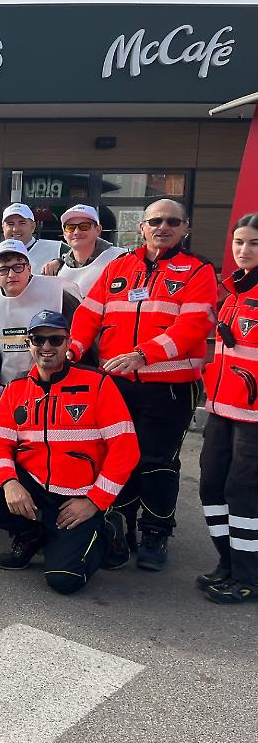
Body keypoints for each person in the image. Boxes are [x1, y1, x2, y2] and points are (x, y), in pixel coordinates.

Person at [69, 199, 217, 571]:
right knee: (118, 457)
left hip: (169, 386)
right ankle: (119, 530)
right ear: (142, 227)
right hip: (117, 384)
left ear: (185, 227)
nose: (163, 227)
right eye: (155, 221)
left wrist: (144, 354)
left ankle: (155, 532)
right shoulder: (119, 266)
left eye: (172, 221)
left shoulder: (198, 271)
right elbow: (89, 312)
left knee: (157, 462)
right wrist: (73, 347)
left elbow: (193, 326)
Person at [0, 311, 140, 595]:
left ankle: (108, 529)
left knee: (64, 581)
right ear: (29, 343)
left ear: (68, 343)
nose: (46, 347)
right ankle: (31, 535)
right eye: (38, 339)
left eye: (55, 339)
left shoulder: (98, 384)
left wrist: (95, 501)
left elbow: (126, 449)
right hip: (33, 485)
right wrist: (10, 482)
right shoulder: (16, 388)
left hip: (79, 495)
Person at [197, 213, 258, 604]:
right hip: (221, 409)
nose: (243, 250)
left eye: (253, 243)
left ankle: (248, 575)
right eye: (238, 242)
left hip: (253, 418)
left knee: (244, 494)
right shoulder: (233, 293)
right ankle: (228, 562)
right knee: (211, 486)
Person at [0, 239, 80, 393]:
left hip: (55, 383)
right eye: (3, 269)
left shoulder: (58, 293)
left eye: (18, 267)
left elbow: (79, 336)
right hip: (7, 387)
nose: (11, 275)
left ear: (29, 268)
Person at [39, 204, 127, 297]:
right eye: (70, 227)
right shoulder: (58, 268)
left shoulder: (121, 259)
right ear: (64, 234)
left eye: (84, 226)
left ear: (98, 230)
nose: (77, 232)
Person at [0, 203, 64, 283]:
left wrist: (61, 261)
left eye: (22, 223)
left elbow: (75, 258)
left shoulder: (56, 249)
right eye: (10, 224)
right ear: (3, 227)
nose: (15, 229)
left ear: (33, 226)